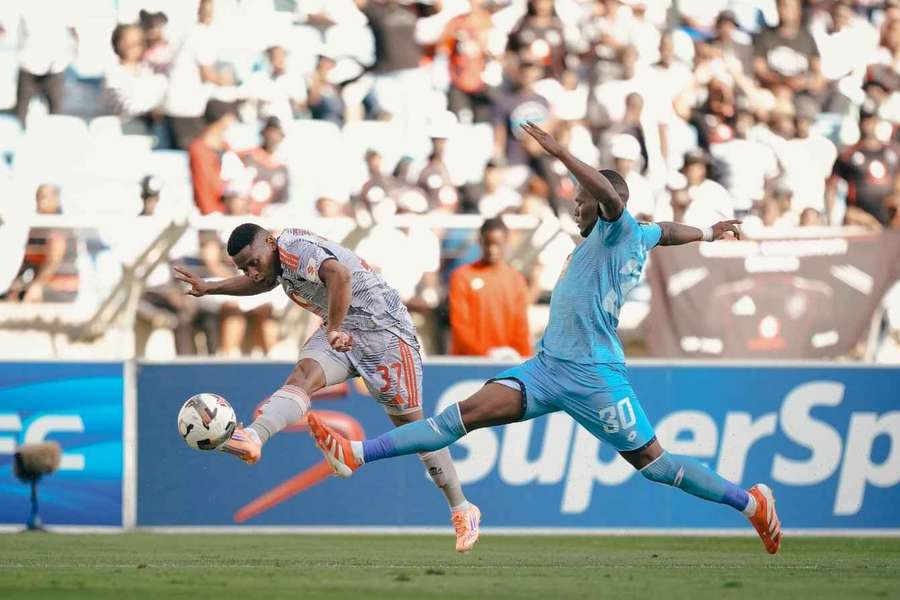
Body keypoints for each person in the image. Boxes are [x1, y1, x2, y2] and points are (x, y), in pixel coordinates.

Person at [305, 122, 783, 556]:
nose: (575, 208)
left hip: (595, 377)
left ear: (603, 203)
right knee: (459, 417)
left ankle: (750, 502)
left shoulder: (619, 230)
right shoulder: (635, 235)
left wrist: (559, 151)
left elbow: (617, 201)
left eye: (581, 200)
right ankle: (357, 453)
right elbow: (668, 231)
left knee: (656, 466)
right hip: (546, 369)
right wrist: (706, 231)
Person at [172, 223, 480, 552]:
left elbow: (340, 276)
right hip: (342, 327)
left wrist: (332, 328)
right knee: (302, 376)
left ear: (269, 241)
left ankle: (462, 508)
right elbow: (260, 283)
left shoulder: (294, 247)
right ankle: (254, 437)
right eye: (243, 267)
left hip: (384, 333)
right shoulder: (274, 260)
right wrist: (210, 288)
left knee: (415, 428)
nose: (251, 271)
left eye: (252, 262)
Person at [448, 218, 531, 358]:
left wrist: (522, 357)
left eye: (497, 244)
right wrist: (485, 353)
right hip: (469, 362)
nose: (492, 249)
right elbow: (460, 324)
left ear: (506, 242)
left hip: (507, 363)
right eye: (488, 244)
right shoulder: (462, 277)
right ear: (480, 242)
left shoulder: (516, 279)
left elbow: (521, 326)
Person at [189, 100, 237, 215]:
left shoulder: (226, 146)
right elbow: (203, 187)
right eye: (229, 115)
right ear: (221, 118)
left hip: (229, 213)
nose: (232, 119)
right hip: (212, 217)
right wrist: (211, 215)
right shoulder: (199, 149)